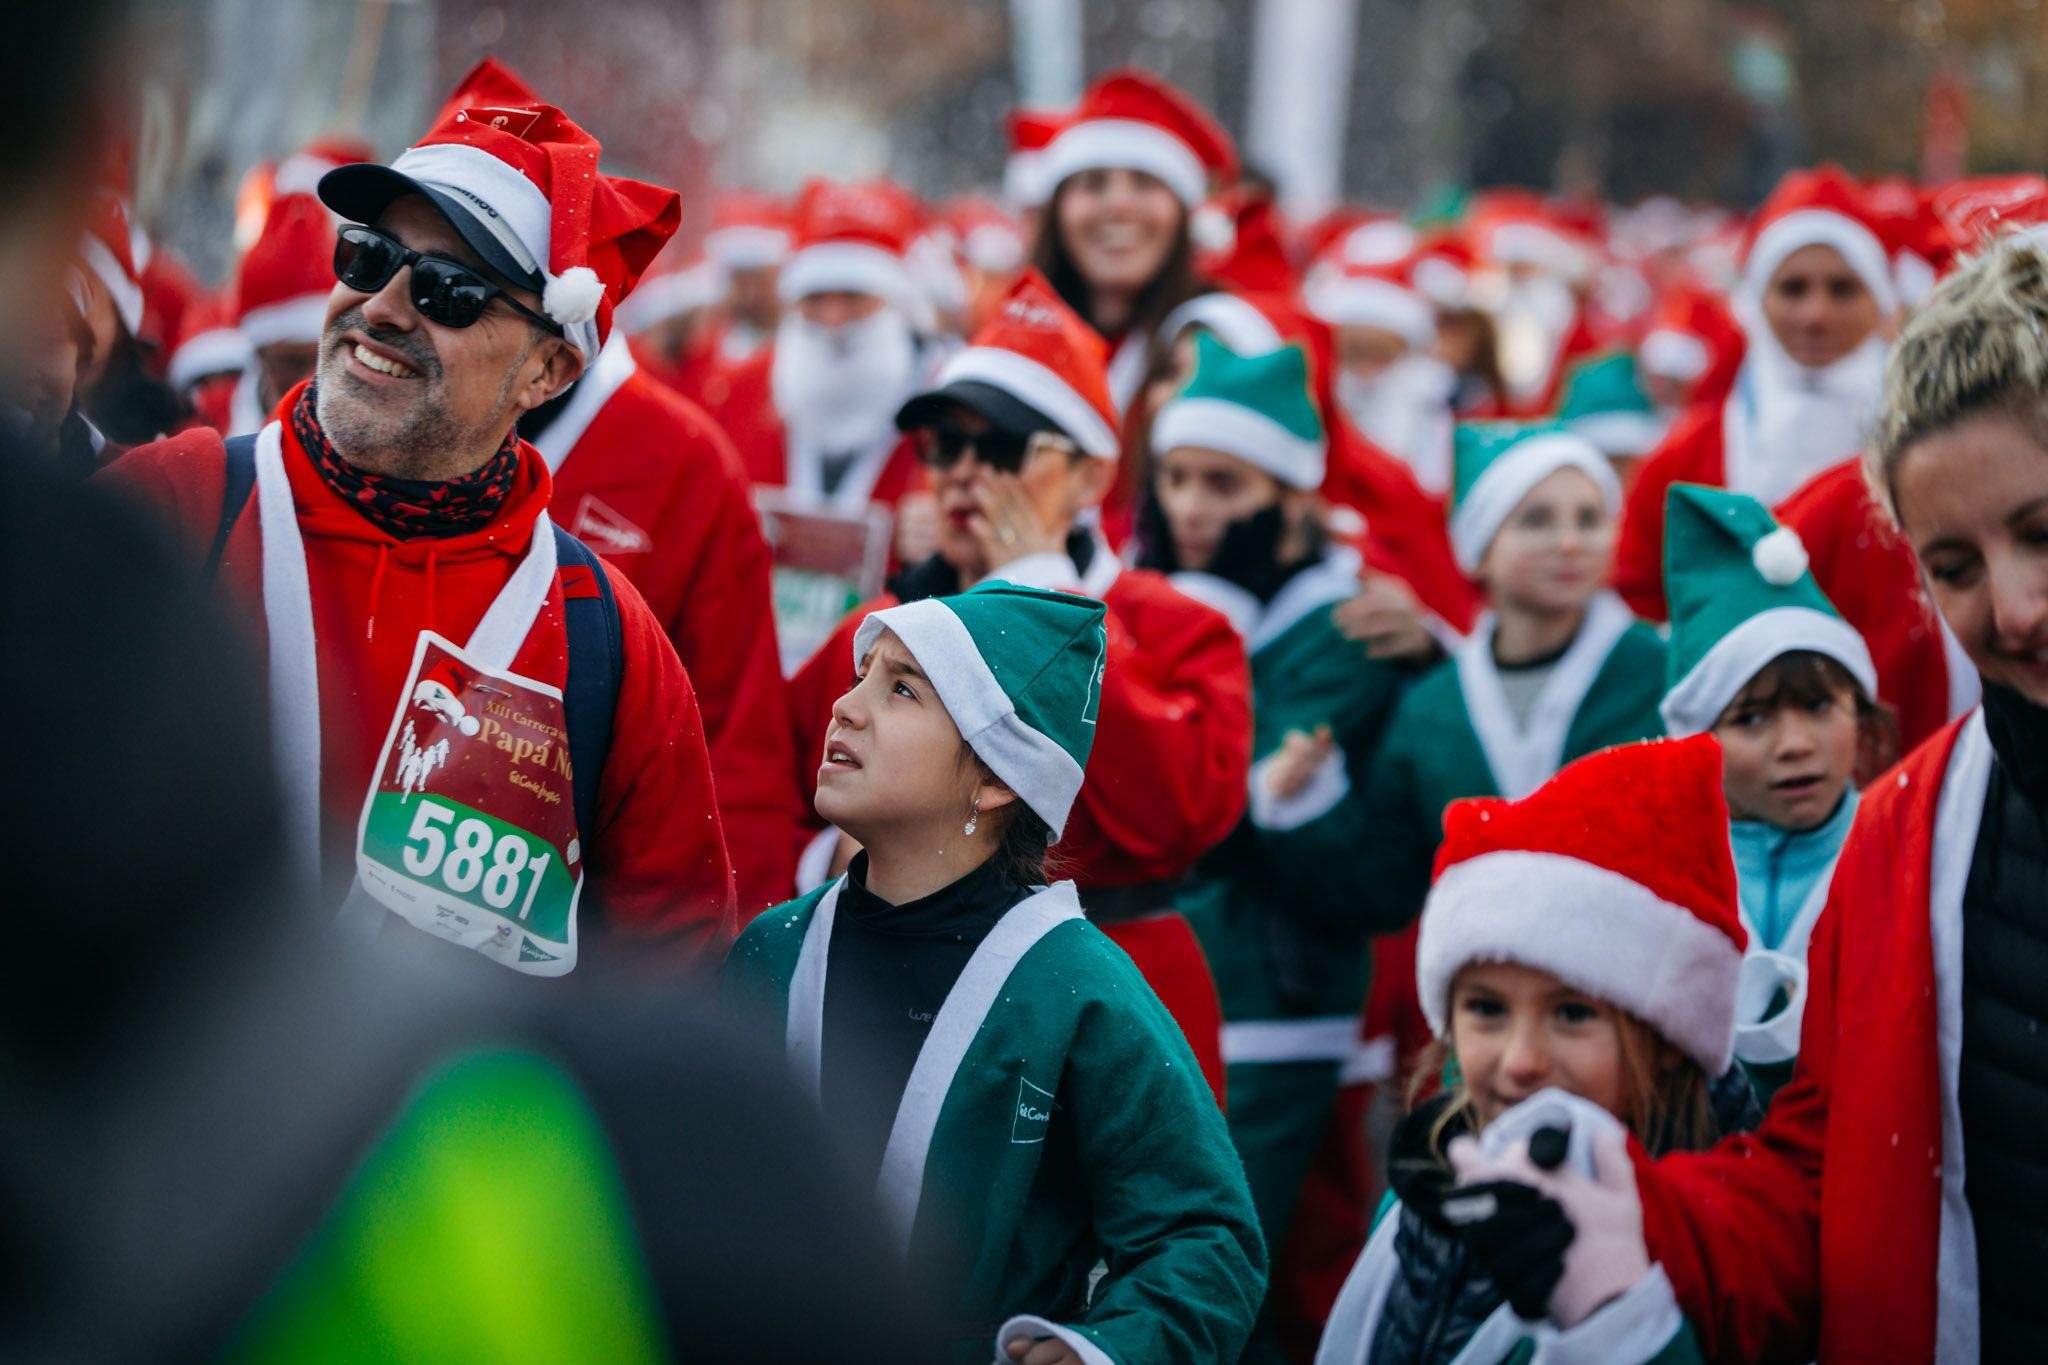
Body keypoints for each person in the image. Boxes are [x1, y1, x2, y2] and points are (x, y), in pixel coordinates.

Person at [100, 60, 736, 974]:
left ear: (547, 371)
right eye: (368, 257)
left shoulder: (605, 644)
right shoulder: (171, 508)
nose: (383, 307)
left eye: (448, 291)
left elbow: (674, 990)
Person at [1625, 229, 2048, 1364]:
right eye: (1952, 567)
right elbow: (1823, 1175)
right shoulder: (1904, 836)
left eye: (2040, 536)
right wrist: (1627, 1229)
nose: (2010, 611)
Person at [724, 580, 1267, 1364]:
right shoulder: (770, 950)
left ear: (996, 777)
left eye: (902, 688)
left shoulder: (1079, 987)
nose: (846, 705)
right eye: (860, 674)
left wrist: (1097, 1350)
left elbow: (1207, 1237)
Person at [785, 271, 1251, 1102]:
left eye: (1001, 447)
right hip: (887, 982)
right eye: (944, 448)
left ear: (1090, 476)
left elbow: (1179, 811)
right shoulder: (883, 630)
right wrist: (842, 856)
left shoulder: (1174, 624)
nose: (965, 473)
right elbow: (754, 787)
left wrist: (1038, 585)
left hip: (1116, 1003)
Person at [1136, 334, 1419, 1349]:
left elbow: (1213, 793)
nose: (1193, 506)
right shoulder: (1146, 592)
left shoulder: (1347, 631)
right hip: (1167, 978)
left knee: (1224, 1258)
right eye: (1173, 477)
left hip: (1278, 992)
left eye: (1224, 480)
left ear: (1294, 494)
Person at [1317, 735, 1756, 1364]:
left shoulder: (1723, 1241)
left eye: (1573, 1014)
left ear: (1666, 1039)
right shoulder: (1425, 1183)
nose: (1520, 1061)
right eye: (1486, 1010)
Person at [1354, 422, 1666, 926]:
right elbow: (1385, 882)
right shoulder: (1433, 704)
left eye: (1589, 519)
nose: (1569, 543)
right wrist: (1306, 804)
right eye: (1536, 520)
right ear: (1479, 551)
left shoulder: (1661, 670)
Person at [1658, 482, 1886, 1102]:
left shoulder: (1902, 854)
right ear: (1697, 738)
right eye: (1752, 719)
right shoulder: (1666, 874)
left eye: (1818, 706)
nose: (1795, 745)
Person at [1615, 167, 1898, 619]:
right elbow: (1637, 601)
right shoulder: (1685, 458)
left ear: (1882, 302)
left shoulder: (1928, 446)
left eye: (1842, 289)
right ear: (1756, 301)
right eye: (1792, 288)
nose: (1815, 314)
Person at [705, 178, 933, 526]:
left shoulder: (939, 402)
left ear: (893, 302)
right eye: (815, 297)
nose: (833, 318)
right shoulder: (736, 391)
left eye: (854, 297)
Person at [1030, 68, 1236, 413]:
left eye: (1145, 183)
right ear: (1057, 211)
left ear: (1185, 215)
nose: (1119, 206)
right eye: (1093, 183)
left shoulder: (1227, 347)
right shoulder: (1009, 342)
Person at [1306, 250, 1458, 497]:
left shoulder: (1428, 401)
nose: (1366, 368)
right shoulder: (1315, 396)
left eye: (1379, 354)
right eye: (1355, 352)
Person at [206, 191, 335, 436]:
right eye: (293, 362)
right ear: (260, 355)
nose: (311, 378)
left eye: (326, 358)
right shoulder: (210, 421)